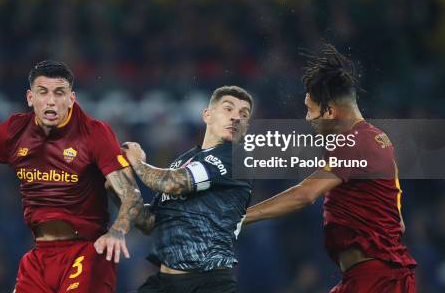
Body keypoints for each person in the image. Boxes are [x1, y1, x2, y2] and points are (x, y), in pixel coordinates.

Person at [0, 60, 143, 293]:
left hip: (87, 253)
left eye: (59, 93)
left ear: (71, 99)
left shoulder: (94, 133)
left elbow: (130, 193)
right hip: (39, 258)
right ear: (31, 98)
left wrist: (117, 231)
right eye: (43, 92)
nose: (51, 101)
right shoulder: (13, 132)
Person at [245, 45, 417, 292]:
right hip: (371, 277)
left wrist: (243, 217)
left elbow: (304, 194)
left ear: (330, 110)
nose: (307, 118)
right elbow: (398, 223)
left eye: (310, 108)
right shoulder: (378, 139)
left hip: (376, 281)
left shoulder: (354, 142)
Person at [119, 85, 253, 293]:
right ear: (207, 115)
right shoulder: (184, 161)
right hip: (165, 282)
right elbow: (149, 222)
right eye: (229, 109)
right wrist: (120, 182)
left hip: (209, 282)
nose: (236, 117)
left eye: (243, 114)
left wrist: (138, 163)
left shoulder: (236, 159)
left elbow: (173, 183)